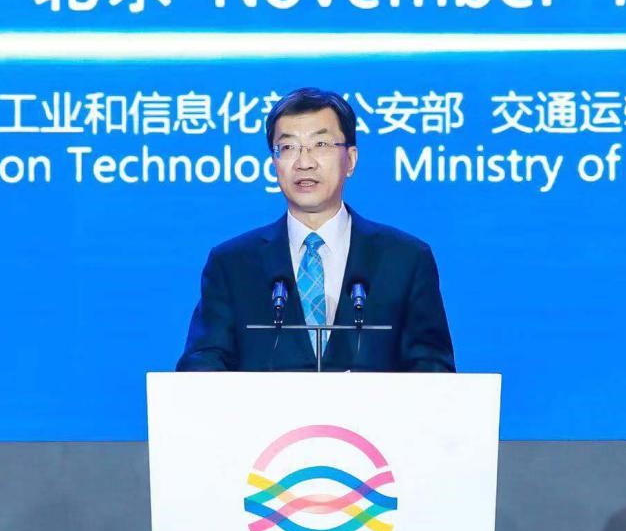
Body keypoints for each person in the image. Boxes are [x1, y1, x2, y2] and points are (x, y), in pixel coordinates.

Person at [176, 87, 455, 372]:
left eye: (320, 145)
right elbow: (201, 368)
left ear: (351, 160)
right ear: (274, 164)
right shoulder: (232, 264)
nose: (304, 163)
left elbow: (433, 371)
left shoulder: (406, 259)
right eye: (288, 147)